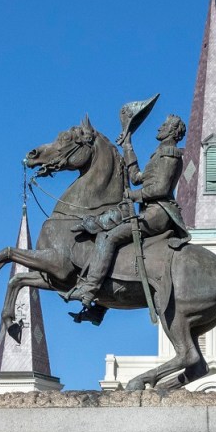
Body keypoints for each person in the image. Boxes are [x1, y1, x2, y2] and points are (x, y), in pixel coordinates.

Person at [68, 114, 189, 306]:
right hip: (148, 210)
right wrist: (127, 145)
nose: (159, 128)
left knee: (108, 237)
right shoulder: (159, 153)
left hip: (158, 213)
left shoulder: (170, 154)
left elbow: (161, 189)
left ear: (173, 132)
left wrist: (133, 196)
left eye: (164, 125)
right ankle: (102, 305)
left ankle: (89, 289)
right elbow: (136, 177)